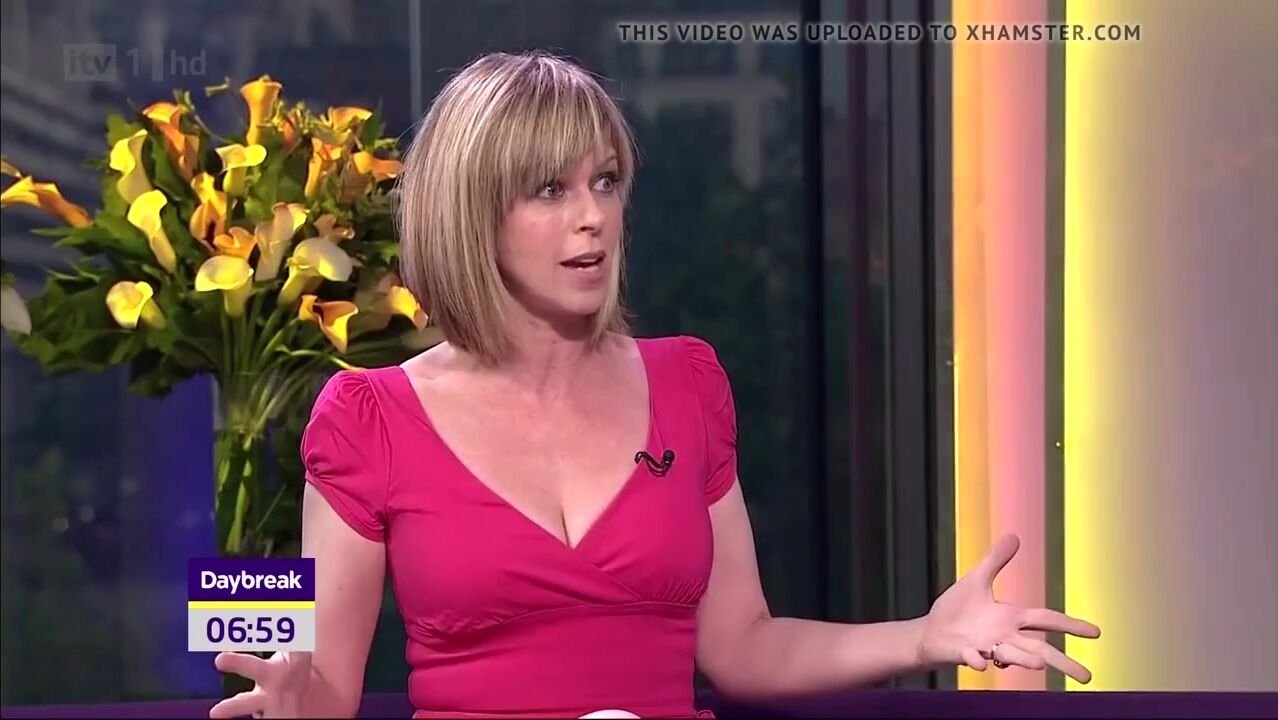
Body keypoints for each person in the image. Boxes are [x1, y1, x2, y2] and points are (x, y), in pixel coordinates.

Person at [209, 50, 1101, 720]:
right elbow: (325, 692)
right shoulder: (369, 418)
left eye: (605, 182)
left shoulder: (686, 382)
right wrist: (284, 692)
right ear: (472, 214)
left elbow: (744, 647)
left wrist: (925, 637)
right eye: (550, 190)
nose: (593, 216)